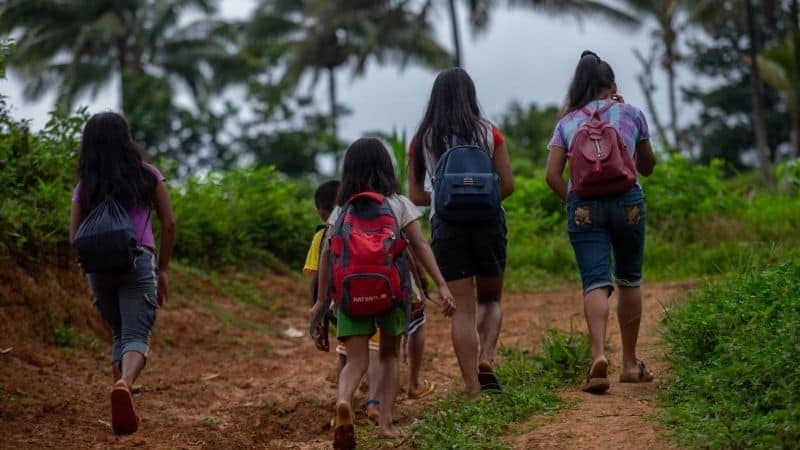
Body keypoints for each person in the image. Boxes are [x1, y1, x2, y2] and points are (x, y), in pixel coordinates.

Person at [309, 138, 456, 448]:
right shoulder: (398, 202)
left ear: (348, 171)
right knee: (389, 356)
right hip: (392, 292)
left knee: (356, 360)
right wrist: (441, 284)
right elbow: (419, 245)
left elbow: (326, 253)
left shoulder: (341, 209)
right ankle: (386, 425)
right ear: (386, 167)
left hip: (350, 294)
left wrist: (322, 301)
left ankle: (344, 402)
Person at [545, 50, 657, 394]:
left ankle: (597, 358)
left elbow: (552, 175)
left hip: (585, 206)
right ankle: (628, 363)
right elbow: (648, 166)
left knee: (595, 281)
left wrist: (576, 202)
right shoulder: (632, 113)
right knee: (629, 278)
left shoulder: (566, 123)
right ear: (612, 85)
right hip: (628, 204)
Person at [408, 67, 515, 398]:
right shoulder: (489, 132)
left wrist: (444, 197)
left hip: (447, 227)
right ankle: (487, 357)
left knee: (463, 310)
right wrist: (480, 197)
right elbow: (507, 185)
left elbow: (414, 196)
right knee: (491, 298)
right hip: (488, 224)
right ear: (470, 95)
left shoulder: (422, 137)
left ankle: (471, 387)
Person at [69, 112, 176, 434]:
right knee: (135, 335)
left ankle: (121, 396)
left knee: (119, 333)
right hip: (137, 259)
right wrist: (163, 268)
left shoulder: (86, 185)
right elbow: (169, 223)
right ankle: (125, 384)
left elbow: (74, 234)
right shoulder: (147, 175)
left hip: (98, 267)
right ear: (126, 138)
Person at [304, 180, 382, 423]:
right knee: (376, 352)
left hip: (344, 301)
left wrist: (317, 311)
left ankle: (344, 400)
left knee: (346, 354)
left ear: (321, 211)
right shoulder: (374, 218)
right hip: (379, 295)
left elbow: (316, 277)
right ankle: (373, 403)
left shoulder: (322, 234)